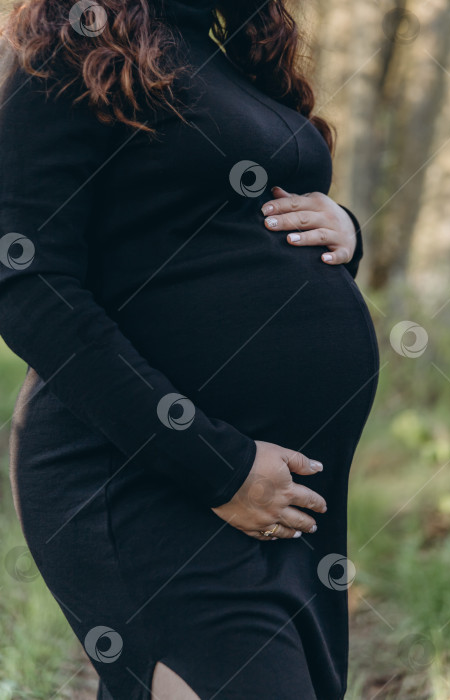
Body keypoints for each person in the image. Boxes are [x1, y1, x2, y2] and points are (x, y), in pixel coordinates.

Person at [0, 1, 380, 698]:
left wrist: (339, 229)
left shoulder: (226, 49)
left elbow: (208, 231)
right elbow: (26, 282)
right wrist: (218, 468)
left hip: (283, 497)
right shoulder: (65, 45)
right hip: (149, 478)